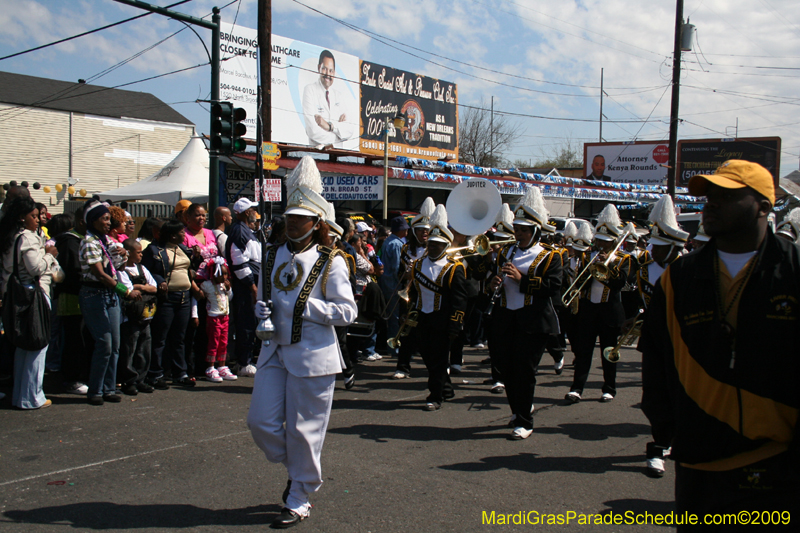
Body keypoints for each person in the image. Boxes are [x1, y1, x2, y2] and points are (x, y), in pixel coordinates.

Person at [640, 160, 800, 523]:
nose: (709, 203)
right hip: (699, 467)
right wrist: (669, 428)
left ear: (764, 206)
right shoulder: (679, 277)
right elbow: (655, 357)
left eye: (725, 195)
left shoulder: (794, 270)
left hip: (779, 468)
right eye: (707, 195)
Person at [248, 156, 357, 528]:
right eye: (289, 216)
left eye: (301, 218)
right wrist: (262, 310)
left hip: (314, 355)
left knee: (305, 430)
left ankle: (299, 495)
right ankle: (298, 469)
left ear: (317, 223)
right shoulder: (271, 254)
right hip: (274, 351)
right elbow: (267, 298)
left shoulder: (332, 260)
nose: (293, 223)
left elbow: (347, 312)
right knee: (261, 422)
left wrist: (307, 307)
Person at [487, 188, 563, 439]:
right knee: (505, 367)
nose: (518, 234)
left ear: (535, 232)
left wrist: (522, 279)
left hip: (533, 321)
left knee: (524, 370)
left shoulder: (550, 255)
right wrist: (494, 282)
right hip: (506, 317)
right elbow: (496, 278)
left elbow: (553, 287)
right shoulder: (506, 252)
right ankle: (518, 410)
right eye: (516, 229)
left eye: (523, 230)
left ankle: (525, 421)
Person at [634, 194, 689, 478]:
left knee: (679, 395)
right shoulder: (645, 268)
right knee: (653, 396)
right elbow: (639, 301)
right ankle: (659, 444)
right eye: (652, 245)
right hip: (654, 341)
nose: (651, 250)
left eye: (659, 247)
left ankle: (669, 443)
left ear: (673, 248)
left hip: (683, 343)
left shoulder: (689, 270)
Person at [565, 204, 632, 403]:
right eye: (599, 240)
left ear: (613, 241)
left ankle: (609, 388)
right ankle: (577, 388)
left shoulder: (624, 260)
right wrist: (588, 268)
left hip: (610, 312)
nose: (601, 245)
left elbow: (620, 284)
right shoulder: (588, 256)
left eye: (605, 241)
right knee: (584, 352)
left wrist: (608, 265)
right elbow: (580, 285)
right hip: (588, 310)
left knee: (608, 351)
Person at [0, 197, 62, 409]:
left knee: (24, 348)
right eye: (33, 216)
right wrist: (49, 255)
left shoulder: (11, 236)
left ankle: (21, 395)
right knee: (38, 345)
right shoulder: (28, 237)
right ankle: (33, 397)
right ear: (21, 217)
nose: (38, 220)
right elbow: (35, 268)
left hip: (15, 296)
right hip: (33, 296)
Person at [406, 204, 467, 412]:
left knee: (440, 360)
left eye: (437, 244)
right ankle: (446, 388)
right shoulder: (417, 265)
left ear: (446, 246)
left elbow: (460, 300)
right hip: (422, 318)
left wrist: (455, 324)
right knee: (427, 356)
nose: (432, 247)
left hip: (443, 319)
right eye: (430, 243)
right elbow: (413, 291)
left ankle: (435, 395)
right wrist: (410, 313)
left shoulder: (454, 268)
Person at [79, 200, 129, 406]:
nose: (109, 223)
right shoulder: (89, 242)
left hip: (110, 296)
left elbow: (117, 267)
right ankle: (95, 390)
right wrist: (124, 290)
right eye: (105, 219)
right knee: (104, 343)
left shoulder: (105, 241)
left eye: (110, 219)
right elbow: (99, 273)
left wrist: (123, 257)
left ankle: (109, 388)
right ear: (93, 221)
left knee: (115, 345)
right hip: (95, 294)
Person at [142, 219, 199, 389]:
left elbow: (190, 268)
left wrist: (196, 258)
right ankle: (155, 373)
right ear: (172, 235)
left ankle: (179, 373)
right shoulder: (154, 250)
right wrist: (159, 281)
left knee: (179, 337)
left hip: (184, 298)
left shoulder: (182, 249)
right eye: (182, 232)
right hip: (167, 298)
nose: (184, 234)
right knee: (160, 337)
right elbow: (147, 270)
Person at [392, 198, 434, 377]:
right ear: (414, 232)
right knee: (405, 330)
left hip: (429, 293)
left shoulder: (435, 249)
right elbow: (400, 271)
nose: (424, 233)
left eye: (427, 230)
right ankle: (402, 366)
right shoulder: (406, 249)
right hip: (410, 293)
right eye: (421, 230)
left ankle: (434, 366)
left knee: (429, 332)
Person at [55, 206, 91, 395]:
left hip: (86, 298)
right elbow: (72, 273)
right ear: (81, 221)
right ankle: (72, 379)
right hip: (72, 299)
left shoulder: (88, 240)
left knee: (83, 339)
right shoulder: (70, 241)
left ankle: (81, 374)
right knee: (74, 339)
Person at [225, 197, 262, 377]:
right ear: (247, 212)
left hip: (251, 284)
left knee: (251, 322)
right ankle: (243, 362)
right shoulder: (240, 231)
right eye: (253, 210)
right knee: (245, 323)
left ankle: (247, 359)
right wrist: (252, 286)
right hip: (245, 287)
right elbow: (239, 263)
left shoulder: (247, 231)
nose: (255, 213)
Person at [117, 239, 158, 395]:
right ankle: (129, 380)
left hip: (145, 316)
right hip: (130, 317)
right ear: (128, 253)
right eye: (138, 252)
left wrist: (139, 287)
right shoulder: (121, 271)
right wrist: (140, 287)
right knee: (129, 349)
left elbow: (153, 287)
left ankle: (141, 378)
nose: (141, 254)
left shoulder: (142, 268)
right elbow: (127, 290)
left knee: (144, 349)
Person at [302, 50, 357, 148]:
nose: (328, 74)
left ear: (334, 73)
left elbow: (350, 129)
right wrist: (338, 135)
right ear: (319, 68)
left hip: (337, 155)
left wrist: (329, 126)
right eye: (324, 69)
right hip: (316, 154)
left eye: (331, 70)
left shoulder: (339, 96)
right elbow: (312, 130)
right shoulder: (310, 90)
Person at [377, 216, 408, 362]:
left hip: (386, 282)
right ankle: (394, 347)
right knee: (395, 317)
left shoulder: (388, 241)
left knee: (390, 316)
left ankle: (391, 346)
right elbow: (397, 267)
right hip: (394, 284)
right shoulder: (397, 244)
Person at [200, 257, 236, 383]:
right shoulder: (207, 285)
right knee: (213, 342)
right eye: (222, 273)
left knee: (224, 342)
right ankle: (210, 367)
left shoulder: (224, 286)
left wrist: (228, 289)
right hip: (214, 318)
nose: (225, 276)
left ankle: (222, 366)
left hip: (225, 317)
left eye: (226, 273)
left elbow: (230, 298)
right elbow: (199, 293)